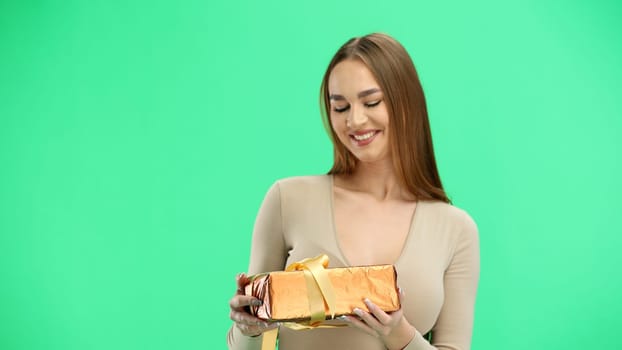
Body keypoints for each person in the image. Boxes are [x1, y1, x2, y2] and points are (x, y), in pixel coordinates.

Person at [227, 33, 480, 350]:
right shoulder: (286, 200)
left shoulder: (456, 229)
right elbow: (250, 345)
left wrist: (398, 334)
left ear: (407, 102)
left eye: (371, 102)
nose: (355, 121)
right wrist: (248, 328)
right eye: (340, 107)